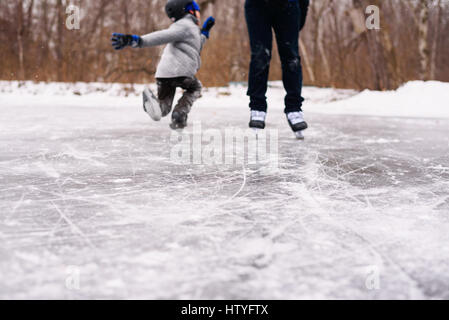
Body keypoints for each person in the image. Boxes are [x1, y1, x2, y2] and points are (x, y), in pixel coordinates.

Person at [111, 0, 215, 130]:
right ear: (189, 11)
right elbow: (163, 35)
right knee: (195, 88)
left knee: (163, 109)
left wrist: (205, 32)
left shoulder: (189, 29)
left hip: (164, 73)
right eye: (197, 11)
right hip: (181, 71)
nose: (199, 15)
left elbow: (196, 42)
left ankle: (154, 105)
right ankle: (180, 114)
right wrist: (138, 40)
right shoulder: (186, 25)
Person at [245, 0, 310, 139]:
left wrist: (303, 9)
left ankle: (294, 108)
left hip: (289, 6)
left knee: (291, 56)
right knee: (260, 55)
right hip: (257, 7)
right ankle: (257, 107)